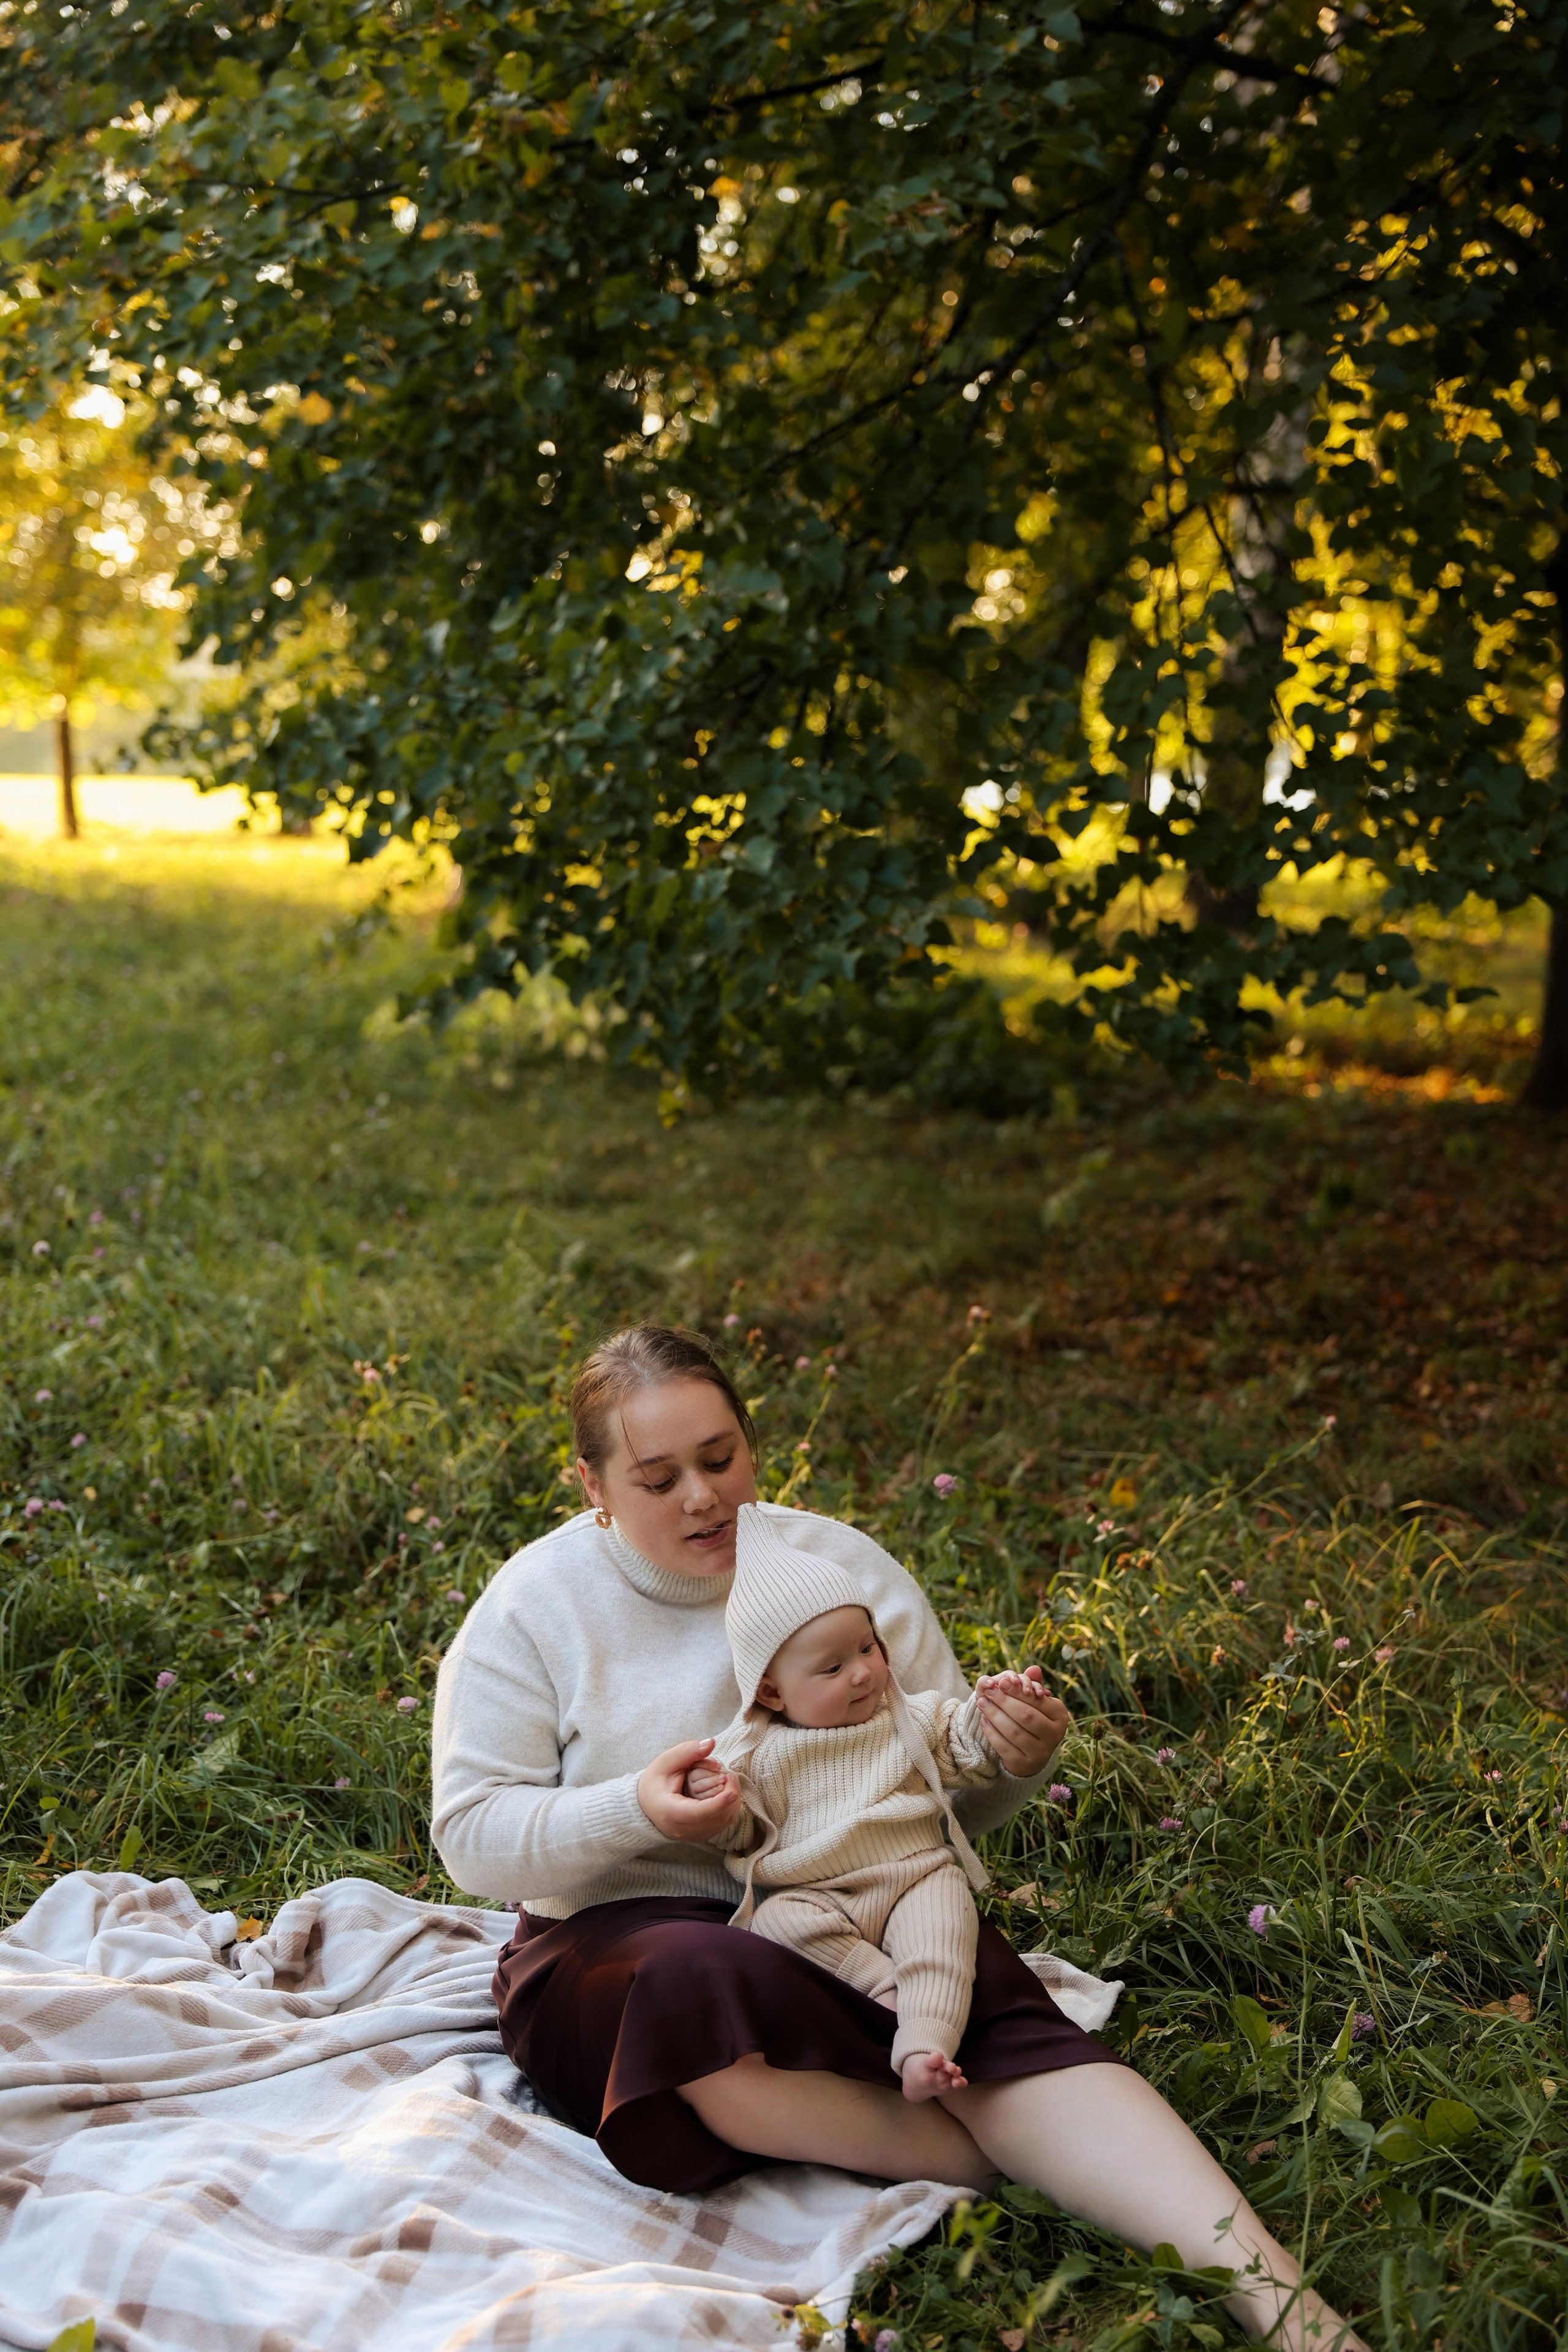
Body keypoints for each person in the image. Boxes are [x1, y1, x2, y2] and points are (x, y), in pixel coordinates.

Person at [432, 1323, 1364, 2351]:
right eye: (659, 1479)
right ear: (593, 1486)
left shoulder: (839, 1570)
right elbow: (472, 1839)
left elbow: (939, 1791)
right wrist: (637, 1811)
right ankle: (1003, 2164)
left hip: (853, 1895)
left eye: (721, 1459)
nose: (702, 1497)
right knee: (689, 1981)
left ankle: (1291, 2313)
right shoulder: (537, 1606)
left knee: (971, 1982)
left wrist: (1012, 1756)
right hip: (621, 1942)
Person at [690, 1501, 1052, 2100]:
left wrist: (995, 1711)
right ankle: (883, 1989)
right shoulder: (754, 1754)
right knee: (775, 1924)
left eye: (866, 1647)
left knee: (943, 1932)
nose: (862, 1673)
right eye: (832, 1667)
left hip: (915, 1874)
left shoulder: (906, 1717)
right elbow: (741, 1833)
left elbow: (963, 1747)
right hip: (817, 1893)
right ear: (772, 1692)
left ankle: (926, 2045)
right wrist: (717, 1802)